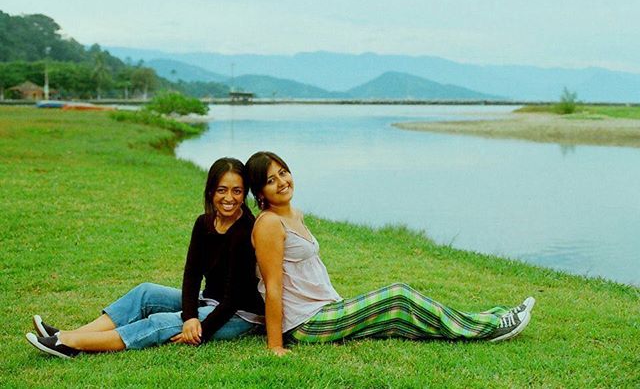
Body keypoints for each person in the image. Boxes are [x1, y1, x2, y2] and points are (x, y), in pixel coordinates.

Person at [245, 151, 535, 356]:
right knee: (398, 295)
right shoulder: (269, 223)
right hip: (306, 323)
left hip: (325, 309)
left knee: (399, 318)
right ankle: (491, 327)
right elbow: (272, 286)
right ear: (260, 192)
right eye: (271, 180)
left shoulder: (294, 214)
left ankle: (492, 317)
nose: (282, 181)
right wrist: (275, 345)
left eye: (283, 172)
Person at [26, 157, 264, 359]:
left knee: (160, 322)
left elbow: (234, 298)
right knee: (145, 292)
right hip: (209, 300)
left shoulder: (246, 230)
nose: (229, 198)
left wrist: (200, 328)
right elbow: (192, 274)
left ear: (244, 194)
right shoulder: (204, 222)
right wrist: (191, 315)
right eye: (222, 190)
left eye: (237, 191)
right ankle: (69, 334)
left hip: (237, 315)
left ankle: (72, 344)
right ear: (211, 191)